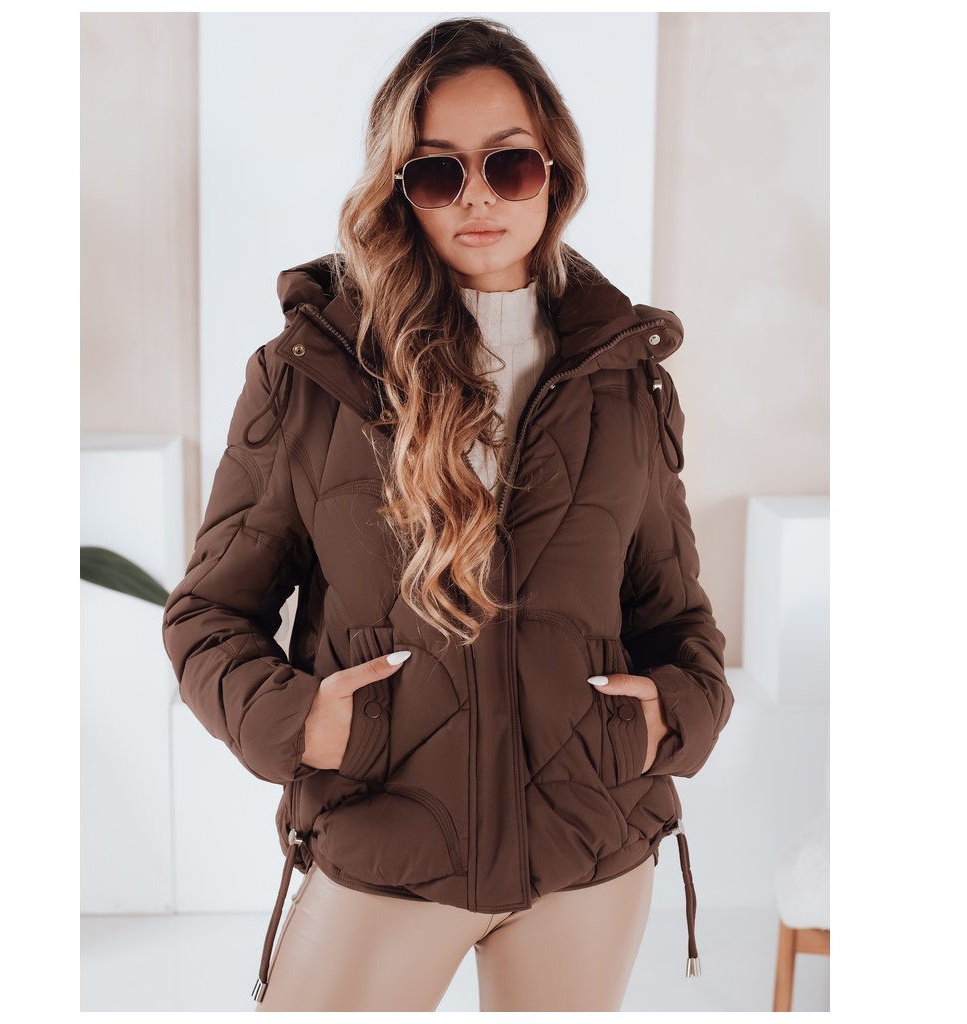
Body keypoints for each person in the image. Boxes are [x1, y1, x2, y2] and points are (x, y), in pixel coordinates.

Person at [162, 16, 734, 1013]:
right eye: (438, 172)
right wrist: (305, 724)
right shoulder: (312, 373)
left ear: (553, 173)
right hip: (387, 842)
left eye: (509, 164)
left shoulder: (625, 379)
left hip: (586, 851)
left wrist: (666, 718)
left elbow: (676, 619)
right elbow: (207, 617)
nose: (478, 196)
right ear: (400, 188)